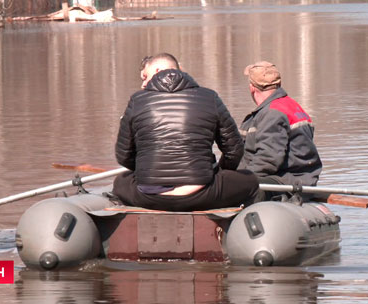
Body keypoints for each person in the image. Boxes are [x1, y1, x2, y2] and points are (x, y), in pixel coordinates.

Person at [112, 53, 258, 211]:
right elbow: (234, 150)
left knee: (120, 181)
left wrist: (146, 171)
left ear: (158, 70)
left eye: (145, 76)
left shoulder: (136, 101)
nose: (143, 84)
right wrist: (218, 171)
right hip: (200, 193)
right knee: (251, 181)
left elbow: (123, 155)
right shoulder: (210, 97)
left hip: (149, 196)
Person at [238, 61, 323, 202]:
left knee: (232, 189)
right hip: (301, 178)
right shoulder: (290, 105)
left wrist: (238, 180)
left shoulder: (272, 113)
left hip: (288, 182)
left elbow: (267, 160)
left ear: (252, 88)